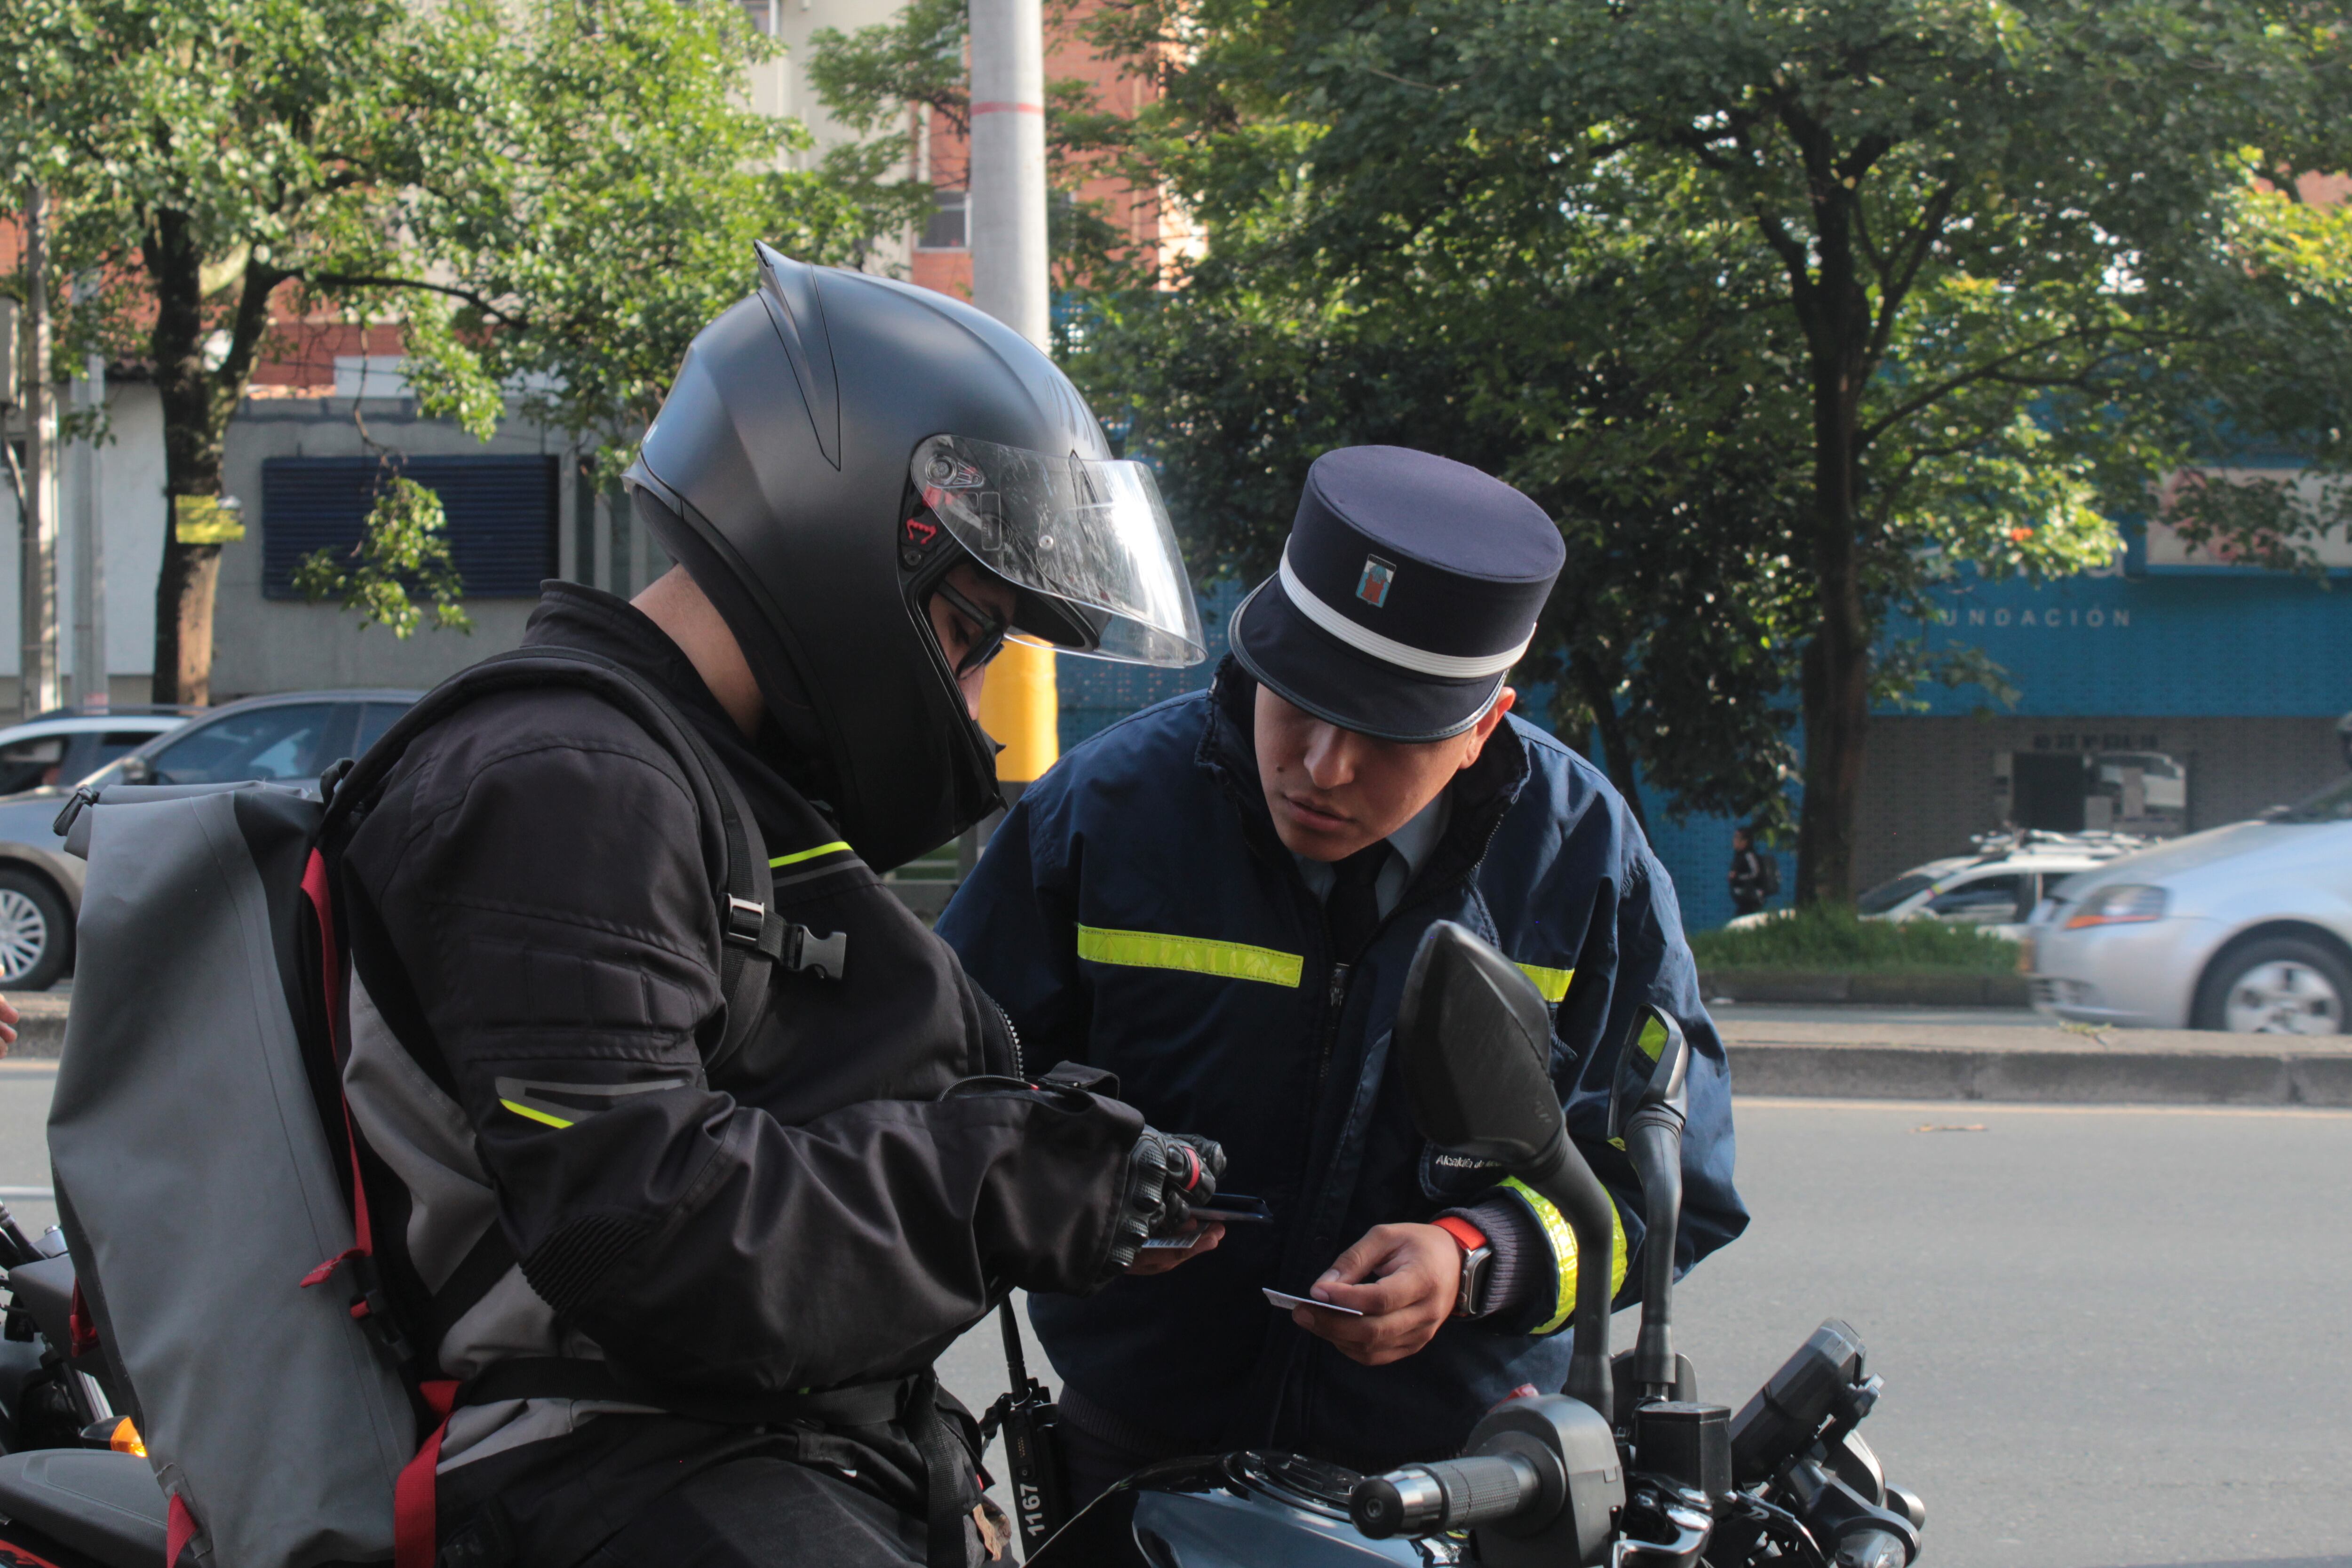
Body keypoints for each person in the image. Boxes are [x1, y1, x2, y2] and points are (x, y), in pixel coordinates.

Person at [332, 247, 1228, 1568]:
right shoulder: (571, 783)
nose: (972, 702)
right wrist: (1005, 1185)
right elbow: (651, 1227)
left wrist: (1068, 1160)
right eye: (972, 635)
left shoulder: (697, 775)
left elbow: (796, 1096)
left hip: (756, 1444)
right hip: (602, 1466)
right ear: (847, 533)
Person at [940, 445, 1748, 1497]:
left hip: (1457, 1489)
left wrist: (1474, 1256)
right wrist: (1067, 1196)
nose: (1321, 767)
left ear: (1482, 727)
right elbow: (933, 1090)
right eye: (1296, 700)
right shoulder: (1100, 815)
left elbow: (1670, 1186)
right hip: (1133, 1462)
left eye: (1383, 732)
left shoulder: (1584, 862)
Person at [1729, 826, 1770, 915]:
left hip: (1752, 898)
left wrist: (1737, 878)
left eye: (1737, 838)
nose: (1734, 840)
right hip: (1744, 900)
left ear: (1745, 841)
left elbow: (1756, 874)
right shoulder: (1739, 856)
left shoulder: (1749, 855)